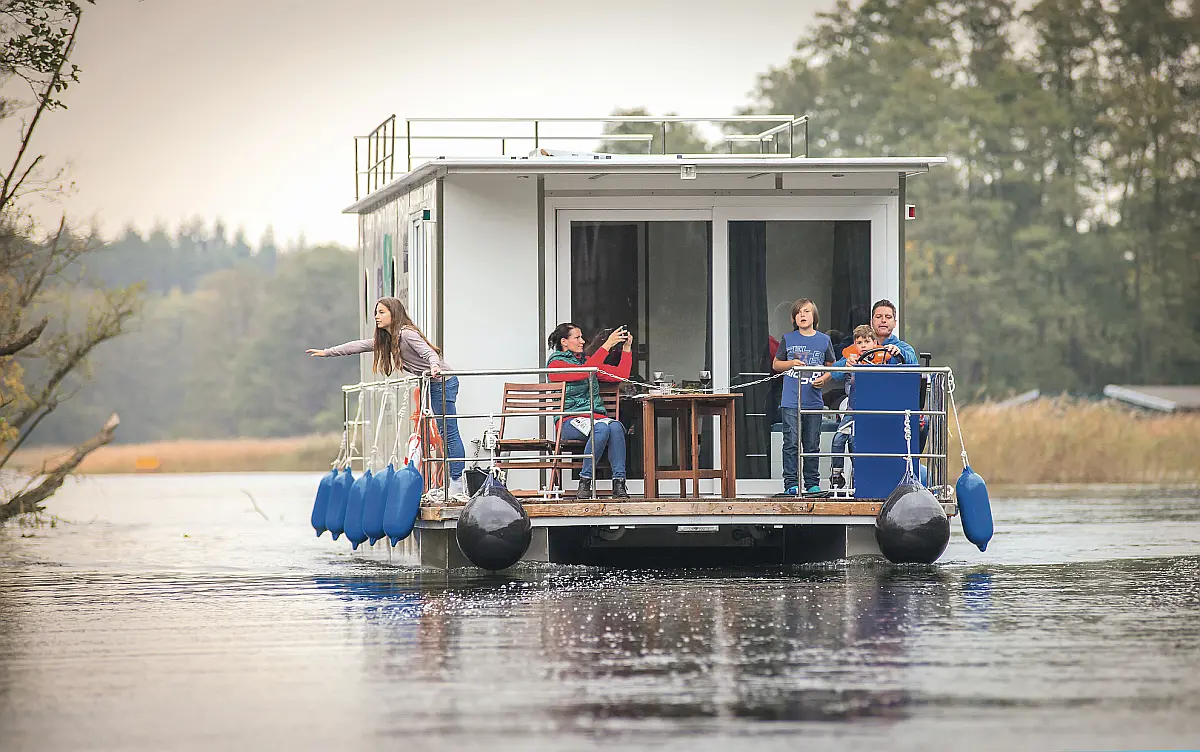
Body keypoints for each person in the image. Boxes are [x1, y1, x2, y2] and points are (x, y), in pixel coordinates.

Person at [307, 297, 468, 500]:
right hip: (433, 384)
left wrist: (434, 366)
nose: (377, 316)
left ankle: (457, 483)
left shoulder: (407, 334)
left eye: (381, 312)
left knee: (449, 432)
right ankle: (453, 482)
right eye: (376, 312)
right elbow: (359, 345)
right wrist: (327, 352)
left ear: (394, 313)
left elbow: (430, 353)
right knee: (444, 432)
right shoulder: (390, 339)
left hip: (443, 382)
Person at [547, 323, 633, 499]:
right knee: (601, 428)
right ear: (564, 341)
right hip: (569, 420)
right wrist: (607, 345)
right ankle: (585, 481)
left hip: (596, 418)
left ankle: (619, 483)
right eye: (577, 338)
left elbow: (621, 375)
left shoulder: (586, 362)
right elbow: (584, 372)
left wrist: (626, 349)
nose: (582, 341)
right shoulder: (556, 364)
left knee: (616, 426)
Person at [772, 299, 836, 496]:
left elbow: (832, 367)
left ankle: (812, 482)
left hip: (813, 401)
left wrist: (824, 379)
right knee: (791, 442)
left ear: (814, 316)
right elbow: (776, 364)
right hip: (791, 400)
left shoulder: (824, 340)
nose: (802, 315)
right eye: (798, 312)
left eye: (807, 311)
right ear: (794, 318)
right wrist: (791, 363)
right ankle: (791, 483)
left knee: (812, 443)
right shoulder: (788, 338)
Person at [827, 324, 884, 489]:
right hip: (852, 410)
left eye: (867, 341)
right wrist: (845, 365)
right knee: (838, 440)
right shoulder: (850, 360)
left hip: (872, 411)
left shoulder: (883, 359)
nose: (863, 346)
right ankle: (836, 474)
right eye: (859, 342)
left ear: (875, 343)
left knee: (857, 443)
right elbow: (834, 372)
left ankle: (859, 476)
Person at [869, 299, 918, 365]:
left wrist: (899, 353)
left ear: (894, 323)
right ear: (871, 322)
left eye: (888, 317)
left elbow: (913, 363)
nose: (883, 320)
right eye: (878, 317)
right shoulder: (861, 347)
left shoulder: (905, 348)